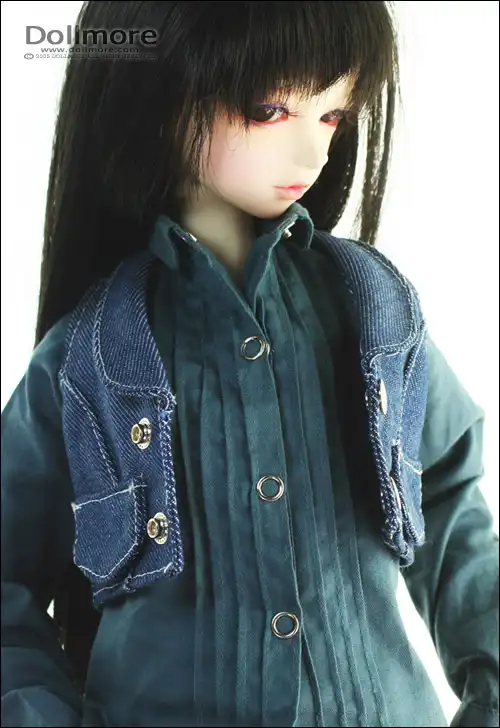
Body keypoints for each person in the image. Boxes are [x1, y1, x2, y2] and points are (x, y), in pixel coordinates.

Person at [1, 2, 498, 726]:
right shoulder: (92, 355)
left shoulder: (371, 312)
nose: (312, 152)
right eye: (269, 110)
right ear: (161, 97)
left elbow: (450, 499)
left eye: (333, 114)